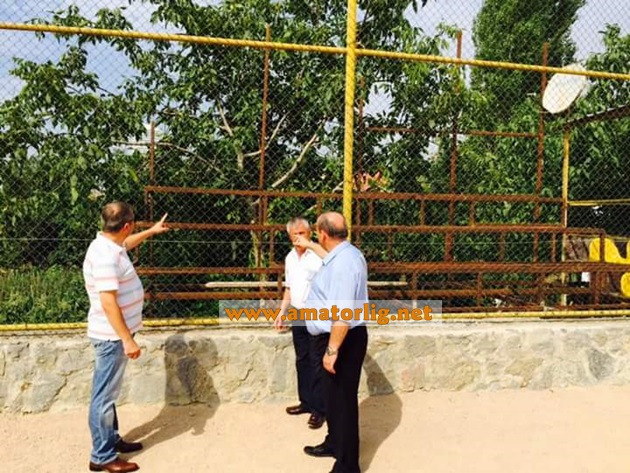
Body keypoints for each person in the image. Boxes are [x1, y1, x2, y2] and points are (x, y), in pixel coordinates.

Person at [83, 201, 169, 473]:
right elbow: (108, 302)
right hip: (111, 337)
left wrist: (151, 231)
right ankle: (102, 456)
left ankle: (111, 439)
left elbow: (126, 243)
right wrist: (127, 339)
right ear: (127, 225)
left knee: (108, 393)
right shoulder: (106, 256)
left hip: (114, 335)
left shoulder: (110, 245)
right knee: (103, 397)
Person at [302, 212, 369, 473]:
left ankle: (347, 465)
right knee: (333, 399)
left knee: (342, 402)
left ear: (323, 234)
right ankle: (334, 443)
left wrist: (332, 350)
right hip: (335, 336)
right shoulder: (342, 255)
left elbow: (343, 314)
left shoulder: (344, 263)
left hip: (341, 339)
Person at [274, 217, 328, 429]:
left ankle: (319, 409)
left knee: (316, 360)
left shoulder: (318, 255)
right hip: (297, 313)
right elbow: (289, 288)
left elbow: (333, 263)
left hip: (315, 312)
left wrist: (312, 246)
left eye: (302, 233)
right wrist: (282, 312)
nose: (298, 238)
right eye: (294, 234)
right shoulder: (290, 258)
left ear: (310, 234)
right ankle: (306, 401)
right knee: (302, 358)